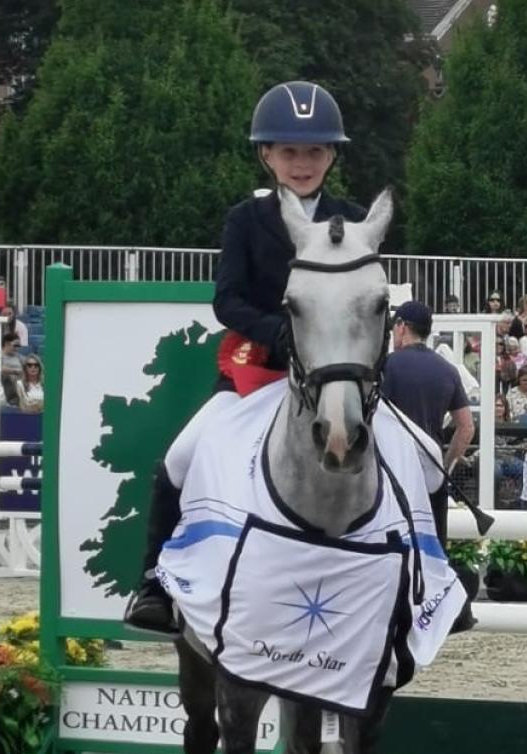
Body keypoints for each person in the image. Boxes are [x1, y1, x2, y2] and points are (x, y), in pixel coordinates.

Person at [125, 80, 365, 632]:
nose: (301, 163)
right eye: (288, 151)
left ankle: (434, 571)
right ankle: (154, 585)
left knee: (418, 452)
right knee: (178, 460)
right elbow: (227, 299)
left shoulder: (351, 220)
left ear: (331, 155)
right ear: (266, 155)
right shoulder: (245, 220)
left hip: (340, 376)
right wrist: (281, 333)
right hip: (261, 370)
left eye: (313, 151)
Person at [382, 300, 475, 547]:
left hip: (394, 478)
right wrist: (446, 466)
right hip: (432, 478)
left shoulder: (387, 366)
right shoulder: (449, 370)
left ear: (402, 326)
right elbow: (466, 427)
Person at [0, 332, 23, 407]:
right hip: (4, 386)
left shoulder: (19, 357)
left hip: (19, 387)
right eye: (15, 345)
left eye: (18, 346)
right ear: (6, 344)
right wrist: (15, 372)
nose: (17, 348)